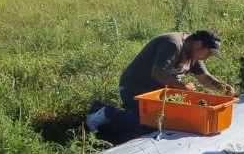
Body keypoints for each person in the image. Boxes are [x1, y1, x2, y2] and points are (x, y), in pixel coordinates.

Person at [86, 30, 233, 133]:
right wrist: (183, 87)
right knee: (149, 125)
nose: (206, 58)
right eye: (208, 53)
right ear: (198, 44)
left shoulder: (193, 54)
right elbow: (158, 73)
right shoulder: (173, 44)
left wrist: (222, 87)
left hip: (158, 94)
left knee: (176, 122)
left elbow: (204, 77)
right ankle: (106, 111)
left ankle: (120, 121)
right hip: (135, 88)